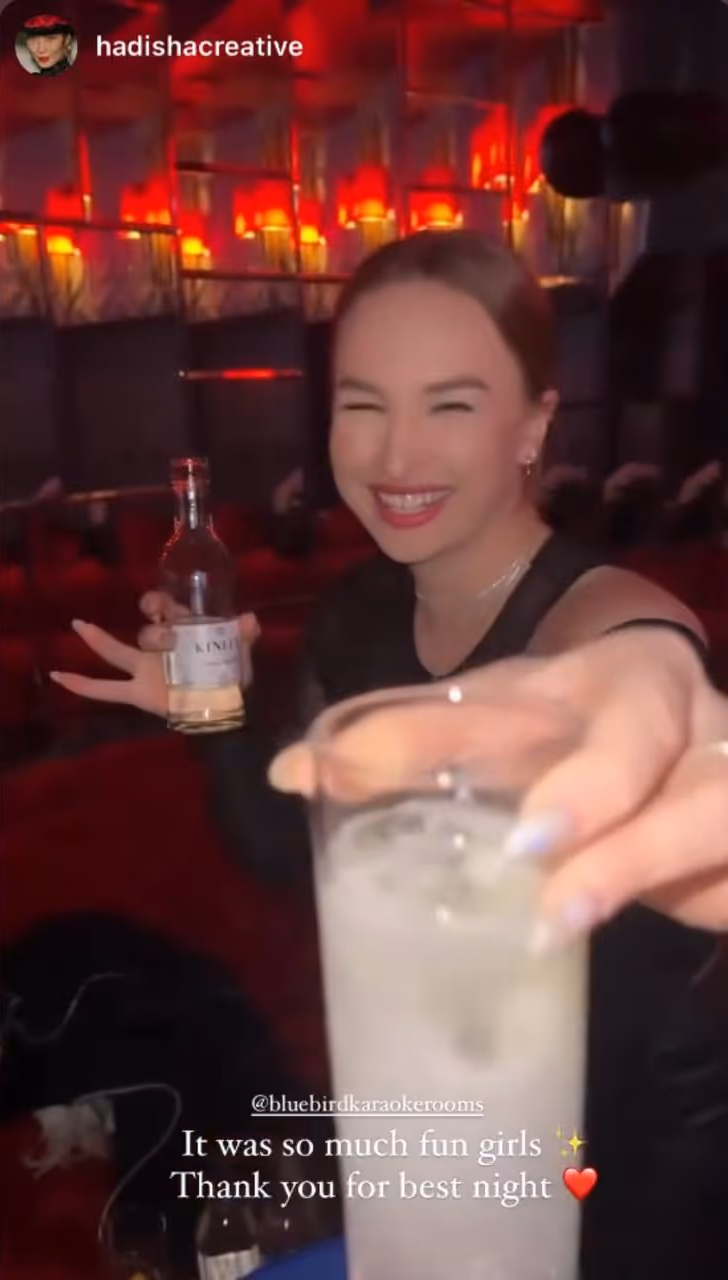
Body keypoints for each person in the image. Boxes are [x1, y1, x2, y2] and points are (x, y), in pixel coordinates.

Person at [51, 232, 728, 1277]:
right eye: (362, 405)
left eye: (448, 405)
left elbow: (633, 663)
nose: (394, 456)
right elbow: (292, 852)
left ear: (531, 423)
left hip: (629, 1161)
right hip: (428, 1127)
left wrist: (660, 673)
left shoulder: (598, 610)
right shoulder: (355, 618)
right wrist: (214, 715)